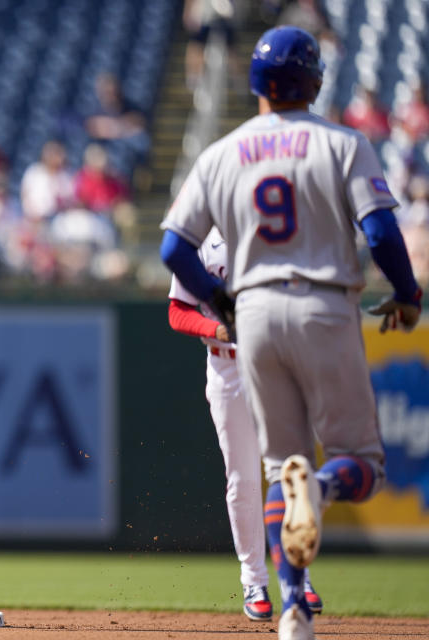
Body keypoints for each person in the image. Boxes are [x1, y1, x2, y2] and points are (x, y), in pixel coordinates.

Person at [160, 26, 422, 640]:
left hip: (254, 320)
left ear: (254, 84)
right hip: (322, 306)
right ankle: (320, 495)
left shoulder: (221, 154)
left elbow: (173, 246)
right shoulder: (342, 142)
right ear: (316, 81)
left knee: (277, 470)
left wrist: (226, 300)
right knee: (356, 464)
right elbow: (382, 233)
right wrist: (408, 294)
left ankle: (293, 605)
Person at [167, 227, 323, 622]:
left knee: (291, 471)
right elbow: (177, 311)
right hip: (227, 365)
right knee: (243, 479)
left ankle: (297, 574)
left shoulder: (273, 227)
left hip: (276, 362)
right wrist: (213, 328)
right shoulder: (201, 240)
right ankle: (254, 579)